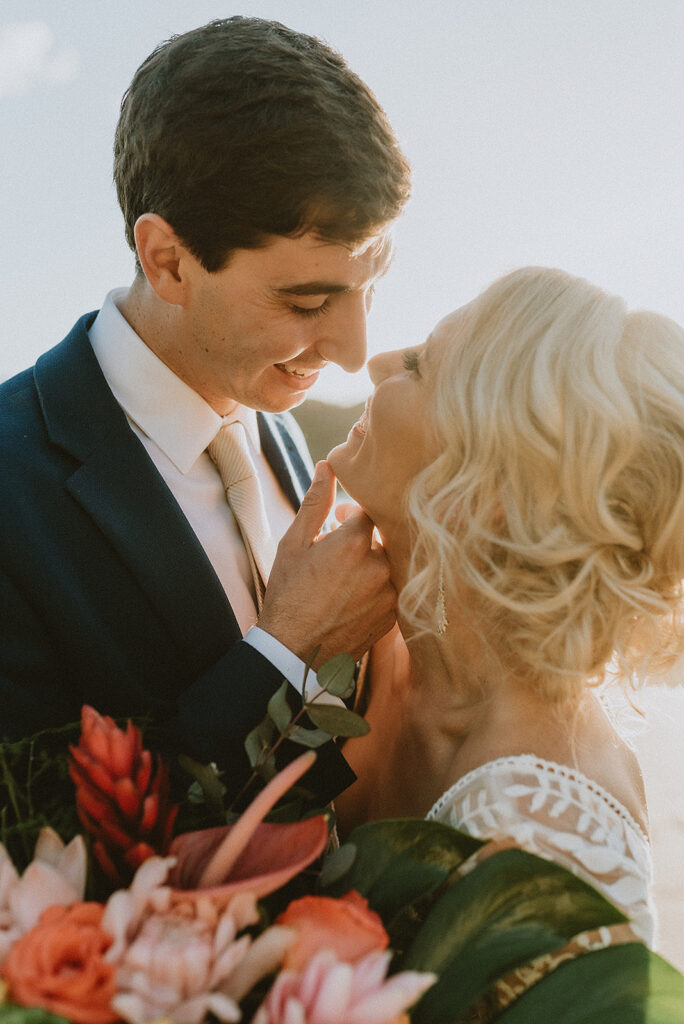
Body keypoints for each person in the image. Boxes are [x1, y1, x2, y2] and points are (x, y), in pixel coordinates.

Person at [0, 17, 410, 804]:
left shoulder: (289, 442)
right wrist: (290, 651)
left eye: (368, 286)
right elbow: (45, 848)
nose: (356, 350)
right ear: (169, 261)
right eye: (307, 300)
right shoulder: (13, 487)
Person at [330, 266, 684, 945]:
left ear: (489, 488)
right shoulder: (374, 641)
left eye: (421, 366)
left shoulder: (538, 839)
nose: (375, 362)